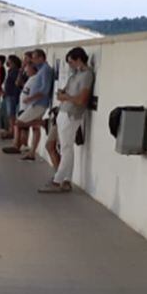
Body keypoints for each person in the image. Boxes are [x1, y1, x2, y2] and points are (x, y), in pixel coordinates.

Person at [39, 47, 93, 194]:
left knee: (66, 148)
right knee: (66, 147)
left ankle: (57, 180)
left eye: (71, 62)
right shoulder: (75, 75)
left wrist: (66, 97)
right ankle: (66, 180)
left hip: (72, 114)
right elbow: (67, 91)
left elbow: (82, 100)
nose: (70, 65)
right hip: (63, 112)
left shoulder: (87, 75)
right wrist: (63, 95)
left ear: (79, 60)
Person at [4, 49, 52, 158]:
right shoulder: (41, 70)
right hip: (35, 103)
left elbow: (45, 89)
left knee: (19, 122)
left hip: (38, 103)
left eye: (35, 58)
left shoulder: (45, 70)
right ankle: (32, 153)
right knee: (34, 128)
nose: (33, 60)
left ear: (41, 58)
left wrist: (31, 99)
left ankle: (43, 123)